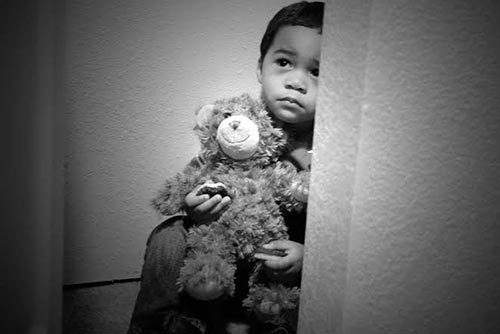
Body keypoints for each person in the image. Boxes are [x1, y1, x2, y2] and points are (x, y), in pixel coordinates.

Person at [128, 2, 323, 333]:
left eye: (317, 71)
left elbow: (339, 232)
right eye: (284, 62)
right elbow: (199, 176)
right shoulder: (236, 124)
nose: (296, 82)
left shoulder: (333, 148)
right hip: (219, 249)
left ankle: (273, 322)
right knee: (167, 236)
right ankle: (159, 321)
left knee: (314, 266)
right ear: (261, 68)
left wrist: (311, 256)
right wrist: (194, 209)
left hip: (275, 262)